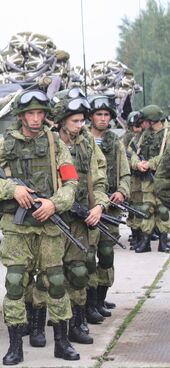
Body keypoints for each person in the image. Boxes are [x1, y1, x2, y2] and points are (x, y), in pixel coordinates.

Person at [0, 90, 80, 365]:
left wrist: (54, 204)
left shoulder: (55, 143)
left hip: (48, 225)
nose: (35, 119)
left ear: (46, 116)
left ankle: (62, 342)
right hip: (17, 227)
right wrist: (12, 188)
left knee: (56, 282)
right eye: (30, 114)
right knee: (14, 284)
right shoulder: (5, 144)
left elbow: (71, 182)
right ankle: (15, 347)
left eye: (40, 114)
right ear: (21, 116)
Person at [52, 95, 110, 344]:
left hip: (79, 220)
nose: (80, 125)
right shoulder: (49, 143)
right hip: (51, 218)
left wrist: (99, 205)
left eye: (82, 120)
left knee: (78, 273)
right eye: (75, 120)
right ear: (62, 121)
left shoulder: (87, 143)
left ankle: (76, 324)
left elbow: (98, 179)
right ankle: (44, 328)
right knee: (50, 277)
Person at [87, 96, 130, 317]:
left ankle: (100, 299)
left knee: (105, 254)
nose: (103, 119)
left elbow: (124, 171)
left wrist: (122, 191)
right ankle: (88, 303)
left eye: (106, 115)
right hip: (87, 208)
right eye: (99, 115)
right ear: (91, 117)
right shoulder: (82, 139)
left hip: (110, 209)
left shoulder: (115, 142)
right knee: (85, 256)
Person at [128, 105, 170, 252]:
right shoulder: (143, 135)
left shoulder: (167, 133)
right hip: (144, 179)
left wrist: (151, 163)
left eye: (144, 121)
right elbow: (131, 151)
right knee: (146, 210)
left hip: (163, 179)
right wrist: (137, 163)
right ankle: (145, 242)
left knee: (163, 210)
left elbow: (167, 156)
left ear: (151, 121)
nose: (141, 124)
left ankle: (164, 241)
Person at [123, 111, 148, 250]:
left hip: (144, 176)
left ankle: (144, 235)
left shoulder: (144, 138)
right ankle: (136, 235)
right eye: (133, 126)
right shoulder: (127, 139)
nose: (136, 129)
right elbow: (125, 156)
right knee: (133, 207)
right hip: (132, 176)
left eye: (138, 126)